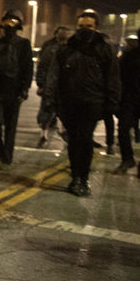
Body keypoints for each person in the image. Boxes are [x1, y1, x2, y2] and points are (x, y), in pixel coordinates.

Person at [45, 11, 121, 196]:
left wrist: (111, 102)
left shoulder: (104, 49)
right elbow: (54, 76)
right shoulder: (65, 49)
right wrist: (50, 99)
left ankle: (83, 178)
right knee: (73, 140)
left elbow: (113, 77)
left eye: (89, 27)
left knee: (85, 139)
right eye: (81, 26)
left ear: (96, 28)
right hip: (69, 103)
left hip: (93, 103)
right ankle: (75, 178)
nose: (84, 30)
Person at [0, 9, 33, 170]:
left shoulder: (23, 44)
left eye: (12, 23)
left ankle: (6, 157)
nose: (8, 27)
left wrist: (25, 89)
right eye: (6, 23)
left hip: (13, 91)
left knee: (10, 127)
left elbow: (27, 68)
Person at [35, 26, 71, 148]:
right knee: (47, 112)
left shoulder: (70, 51)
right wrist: (41, 84)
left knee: (55, 112)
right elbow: (42, 68)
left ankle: (50, 134)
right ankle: (44, 135)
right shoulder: (51, 50)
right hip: (53, 87)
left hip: (60, 87)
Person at [112, 37, 140, 175]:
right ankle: (127, 159)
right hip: (129, 98)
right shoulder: (129, 55)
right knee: (123, 129)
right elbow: (118, 76)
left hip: (130, 98)